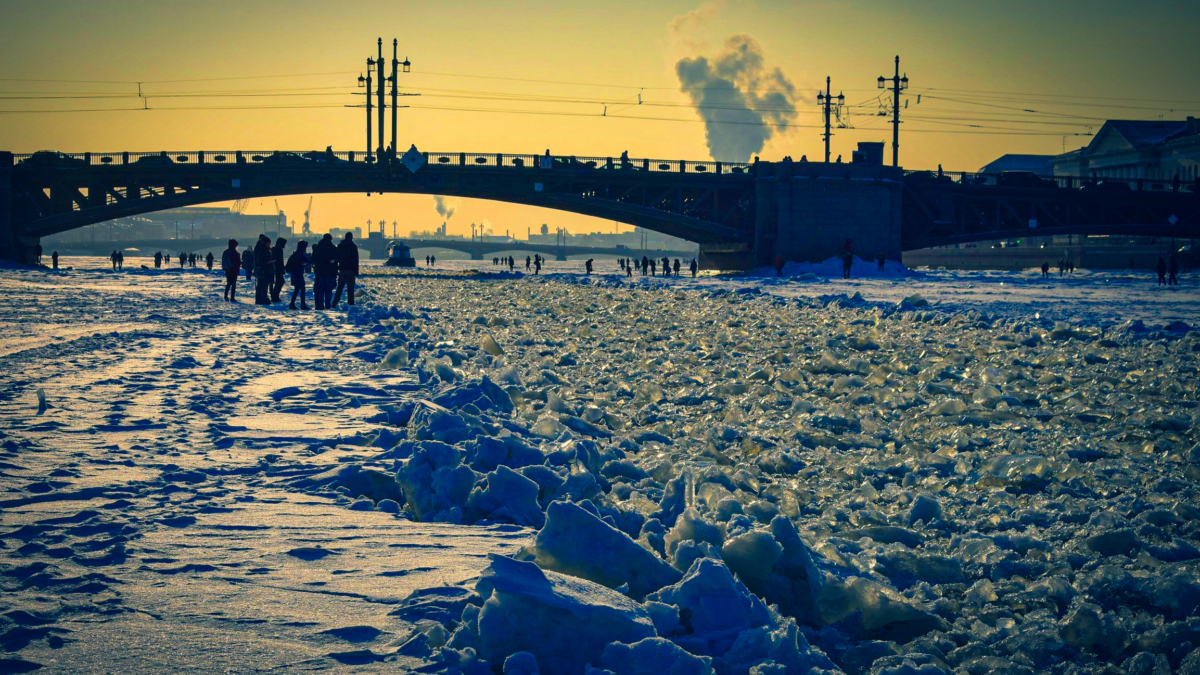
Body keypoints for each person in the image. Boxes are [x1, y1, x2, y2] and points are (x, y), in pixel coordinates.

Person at [333, 232, 359, 307]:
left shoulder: (341, 245)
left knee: (339, 288)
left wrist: (336, 268)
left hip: (342, 270)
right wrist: (356, 271)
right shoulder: (353, 246)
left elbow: (336, 257)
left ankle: (334, 303)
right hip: (351, 270)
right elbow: (356, 260)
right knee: (350, 289)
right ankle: (351, 304)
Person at [312, 233, 338, 310]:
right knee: (328, 290)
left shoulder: (318, 247)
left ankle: (320, 305)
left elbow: (314, 259)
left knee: (320, 289)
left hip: (320, 271)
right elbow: (336, 259)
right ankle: (328, 305)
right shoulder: (333, 248)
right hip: (330, 272)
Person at [286, 241, 311, 310]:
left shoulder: (295, 254)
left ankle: (292, 304)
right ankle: (302, 305)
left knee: (297, 289)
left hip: (294, 274)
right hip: (298, 274)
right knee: (302, 289)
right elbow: (308, 261)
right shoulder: (300, 254)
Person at [253, 234, 273, 305]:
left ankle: (261, 299)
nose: (269, 244)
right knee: (263, 285)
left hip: (263, 270)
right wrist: (267, 262)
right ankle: (262, 299)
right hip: (263, 270)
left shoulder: (264, 249)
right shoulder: (262, 250)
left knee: (262, 285)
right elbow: (260, 260)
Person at [271, 237, 288, 303]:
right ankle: (275, 297)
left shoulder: (274, 249)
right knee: (279, 282)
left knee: (279, 282)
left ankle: (275, 296)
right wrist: (282, 268)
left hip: (276, 268)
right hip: (278, 269)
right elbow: (279, 261)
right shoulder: (279, 250)